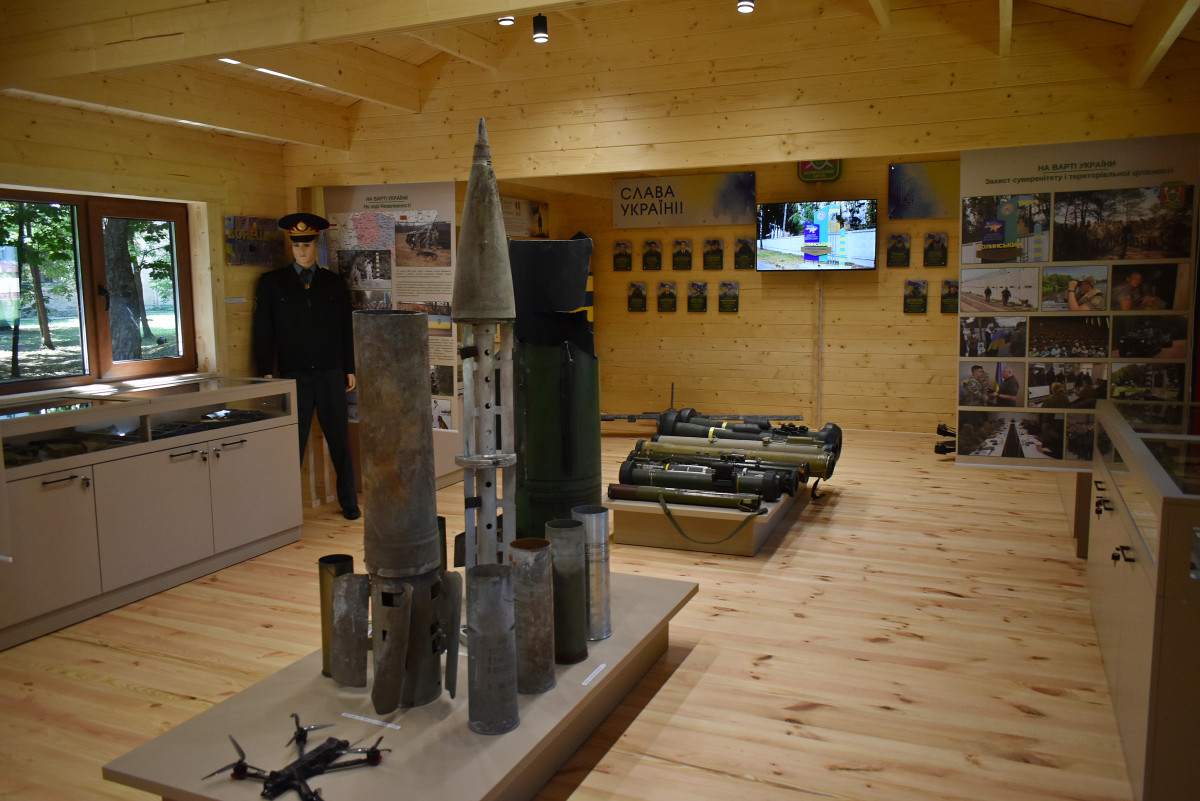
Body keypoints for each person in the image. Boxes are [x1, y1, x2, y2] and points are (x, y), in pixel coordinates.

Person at [253, 213, 360, 520]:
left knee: (339, 439)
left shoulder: (333, 284)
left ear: (317, 244)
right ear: (291, 246)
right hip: (293, 374)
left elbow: (345, 329)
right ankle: (285, 509)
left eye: (308, 244)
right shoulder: (272, 284)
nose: (302, 251)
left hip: (329, 371)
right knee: (292, 442)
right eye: (297, 245)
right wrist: (265, 371)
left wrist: (349, 367)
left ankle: (349, 501)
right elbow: (263, 330)